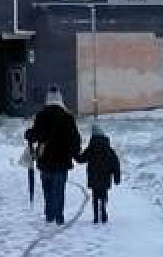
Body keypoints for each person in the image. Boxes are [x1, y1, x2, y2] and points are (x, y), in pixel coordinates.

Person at [24, 85, 82, 224]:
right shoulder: (68, 117)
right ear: (60, 99)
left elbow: (35, 134)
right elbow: (75, 138)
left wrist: (28, 134)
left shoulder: (41, 116)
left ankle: (49, 213)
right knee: (59, 189)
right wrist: (76, 154)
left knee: (47, 188)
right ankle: (59, 215)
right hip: (62, 159)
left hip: (45, 159)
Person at [77, 123, 122, 224]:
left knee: (95, 195)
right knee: (103, 193)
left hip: (93, 175)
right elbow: (115, 163)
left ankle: (96, 216)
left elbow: (81, 159)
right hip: (105, 175)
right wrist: (117, 177)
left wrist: (74, 152)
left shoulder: (91, 148)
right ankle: (103, 209)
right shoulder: (108, 149)